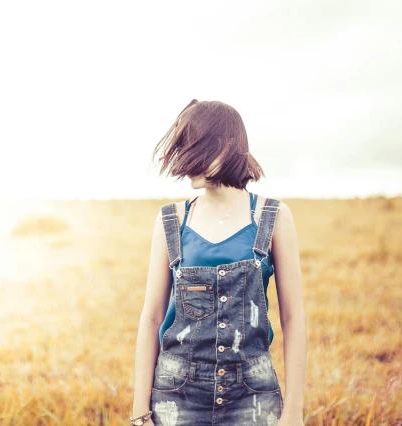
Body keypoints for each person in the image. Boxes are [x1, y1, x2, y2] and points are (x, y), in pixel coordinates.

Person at [129, 99, 307, 426]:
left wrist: (294, 410)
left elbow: (293, 318)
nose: (184, 160)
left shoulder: (274, 217)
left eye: (192, 148)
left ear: (225, 147)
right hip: (176, 395)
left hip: (253, 396)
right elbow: (151, 318)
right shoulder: (171, 220)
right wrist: (140, 413)